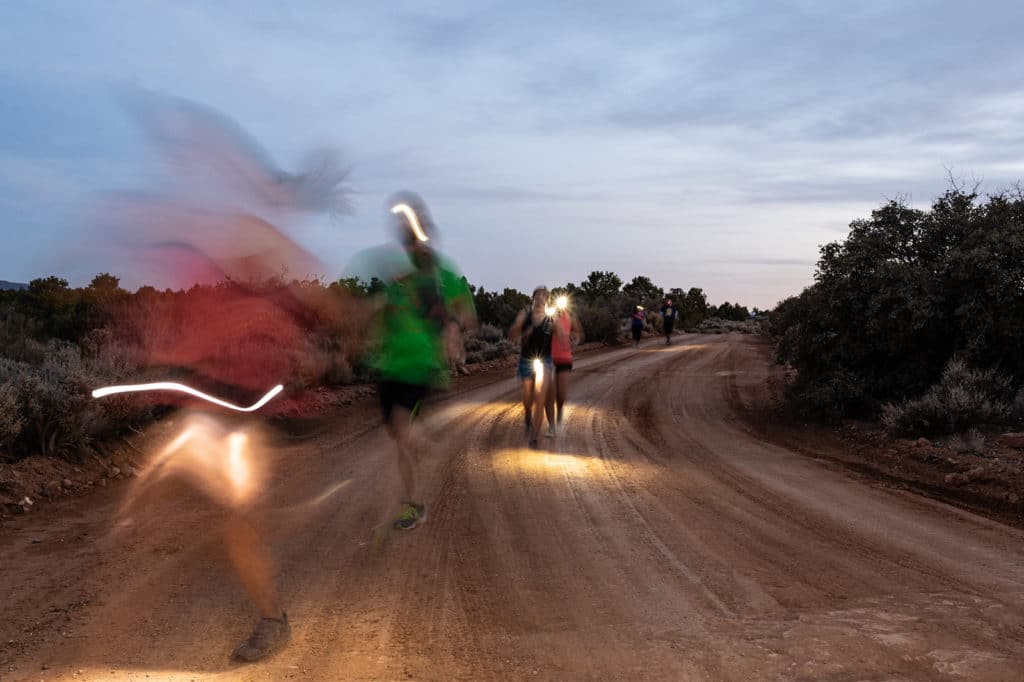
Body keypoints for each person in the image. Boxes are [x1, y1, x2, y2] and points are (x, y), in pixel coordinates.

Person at [372, 191, 476, 530]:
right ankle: (413, 499)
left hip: (421, 367)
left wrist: (453, 330)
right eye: (407, 237)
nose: (412, 243)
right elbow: (387, 315)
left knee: (403, 430)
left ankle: (419, 489)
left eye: (416, 235)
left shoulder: (442, 273)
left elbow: (466, 314)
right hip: (391, 367)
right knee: (400, 439)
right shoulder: (398, 276)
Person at [510, 287, 563, 448]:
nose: (541, 298)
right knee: (527, 397)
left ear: (548, 300)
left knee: (540, 397)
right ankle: (527, 414)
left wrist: (558, 325)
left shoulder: (551, 318)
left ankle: (533, 437)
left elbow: (561, 338)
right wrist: (523, 332)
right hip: (526, 360)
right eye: (538, 295)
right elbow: (513, 333)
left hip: (544, 361)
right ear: (533, 297)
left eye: (545, 296)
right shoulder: (524, 314)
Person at [549, 295, 583, 431]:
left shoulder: (571, 318)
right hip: (548, 359)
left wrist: (575, 340)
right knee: (548, 392)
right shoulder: (549, 317)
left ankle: (560, 410)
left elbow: (578, 333)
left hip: (564, 359)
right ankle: (551, 423)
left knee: (561, 394)